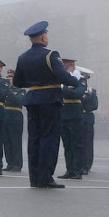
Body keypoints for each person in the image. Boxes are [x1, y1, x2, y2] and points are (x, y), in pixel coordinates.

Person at [12, 21, 84, 189]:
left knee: (34, 139)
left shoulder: (23, 57)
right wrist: (76, 81)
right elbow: (62, 76)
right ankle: (45, 177)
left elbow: (17, 82)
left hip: (32, 99)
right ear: (43, 36)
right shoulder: (50, 55)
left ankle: (35, 178)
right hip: (50, 100)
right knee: (49, 139)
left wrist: (34, 82)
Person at [57, 57, 86, 180]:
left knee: (77, 144)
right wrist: (66, 88)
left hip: (75, 114)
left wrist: (65, 88)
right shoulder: (62, 80)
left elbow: (77, 93)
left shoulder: (81, 79)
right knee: (67, 144)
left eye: (66, 66)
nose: (64, 68)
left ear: (72, 66)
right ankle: (69, 169)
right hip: (64, 114)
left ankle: (78, 170)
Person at [4, 69, 25, 172]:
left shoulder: (20, 90)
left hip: (15, 116)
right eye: (8, 77)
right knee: (6, 141)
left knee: (15, 141)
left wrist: (9, 89)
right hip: (5, 116)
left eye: (11, 77)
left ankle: (17, 164)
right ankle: (10, 163)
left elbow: (18, 100)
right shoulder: (4, 89)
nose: (9, 79)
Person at [80, 74, 99, 175]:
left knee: (87, 143)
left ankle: (87, 165)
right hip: (78, 117)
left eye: (84, 80)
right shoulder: (76, 90)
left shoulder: (92, 92)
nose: (83, 82)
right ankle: (78, 164)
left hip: (87, 118)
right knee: (78, 142)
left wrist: (87, 97)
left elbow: (94, 106)